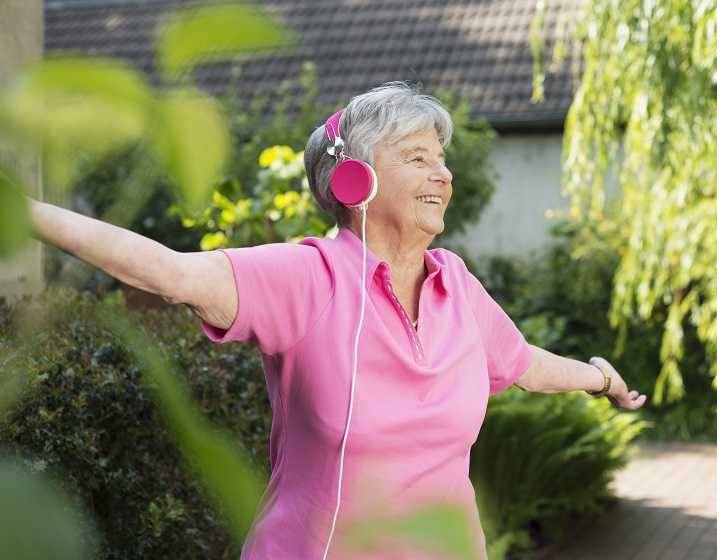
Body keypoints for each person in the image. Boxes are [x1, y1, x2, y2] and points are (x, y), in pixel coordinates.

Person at [26, 81, 646, 559]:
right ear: (357, 179)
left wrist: (601, 379)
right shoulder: (307, 278)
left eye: (442, 159)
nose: (444, 174)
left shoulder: (456, 285)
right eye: (418, 158)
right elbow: (169, 272)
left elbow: (527, 364)